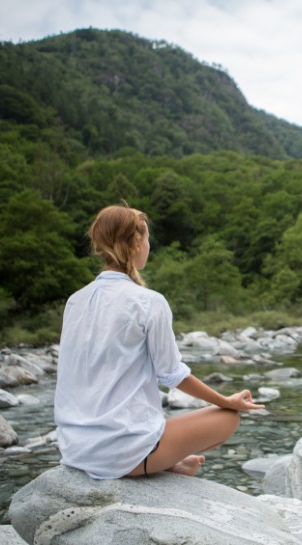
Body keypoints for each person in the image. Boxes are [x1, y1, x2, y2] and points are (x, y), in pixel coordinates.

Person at [54, 203, 263, 479]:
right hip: (120, 457)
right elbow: (172, 375)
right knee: (227, 418)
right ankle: (156, 462)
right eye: (147, 238)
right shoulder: (148, 302)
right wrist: (227, 401)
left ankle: (173, 462)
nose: (149, 245)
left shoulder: (75, 301)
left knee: (148, 416)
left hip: (75, 450)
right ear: (136, 241)